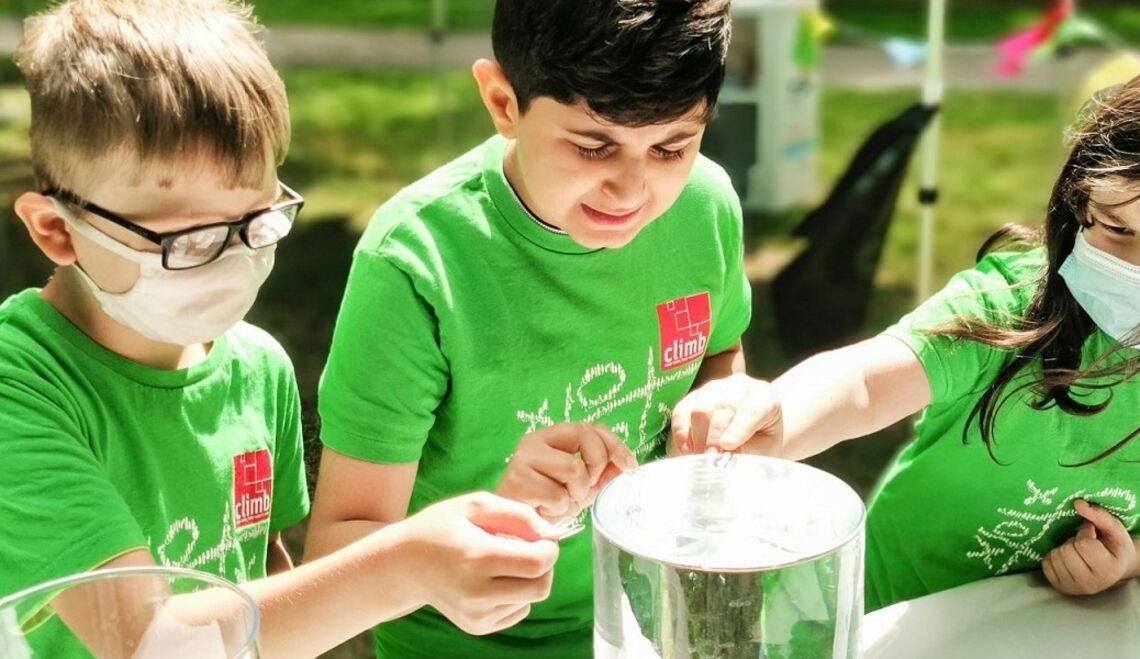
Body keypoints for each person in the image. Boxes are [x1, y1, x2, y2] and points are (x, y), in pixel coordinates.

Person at [0, 1, 560, 656]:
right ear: (57, 230)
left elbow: (266, 582)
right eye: (191, 238)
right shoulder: (21, 390)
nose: (232, 260)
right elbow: (149, 643)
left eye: (255, 222)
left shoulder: (257, 368)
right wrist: (407, 563)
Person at [305, 0, 750, 656]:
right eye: (593, 145)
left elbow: (721, 352)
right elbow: (338, 546)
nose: (631, 190)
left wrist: (721, 399)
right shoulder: (419, 261)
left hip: (653, 625)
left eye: (671, 146)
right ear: (502, 101)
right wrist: (492, 522)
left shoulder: (704, 206)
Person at [671, 75, 1140, 613]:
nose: (1132, 267)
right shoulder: (1013, 302)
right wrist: (779, 418)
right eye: (1113, 227)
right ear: (1077, 206)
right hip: (890, 610)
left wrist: (1127, 561)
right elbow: (868, 380)